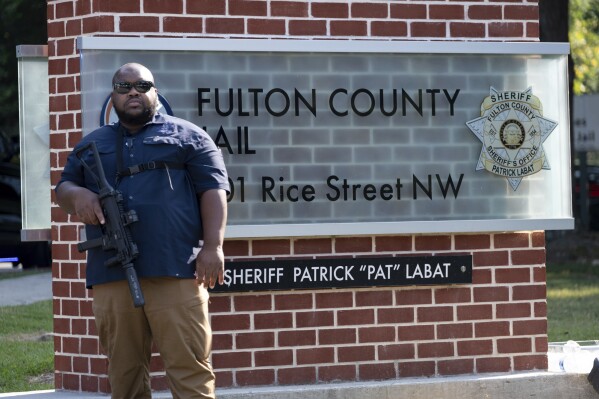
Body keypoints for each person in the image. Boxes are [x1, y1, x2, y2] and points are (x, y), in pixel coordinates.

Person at [55, 63, 229, 399]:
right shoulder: (92, 144)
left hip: (176, 269)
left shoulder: (189, 136)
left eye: (142, 85)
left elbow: (214, 190)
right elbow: (64, 188)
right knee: (124, 376)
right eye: (124, 87)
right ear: (114, 95)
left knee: (190, 370)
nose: (133, 92)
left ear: (155, 91)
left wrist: (213, 247)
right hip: (112, 272)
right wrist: (79, 196)